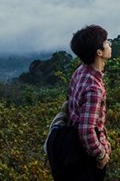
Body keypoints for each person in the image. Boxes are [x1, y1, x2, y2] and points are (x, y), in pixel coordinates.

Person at [48, 24, 112, 181]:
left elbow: (69, 103)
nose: (109, 44)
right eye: (106, 42)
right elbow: (86, 130)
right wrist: (101, 155)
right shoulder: (94, 88)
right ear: (99, 52)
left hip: (70, 145)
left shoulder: (80, 71)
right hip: (84, 157)